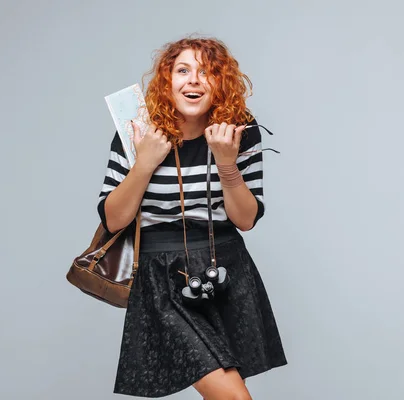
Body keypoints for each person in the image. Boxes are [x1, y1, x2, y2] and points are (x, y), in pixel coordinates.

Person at [97, 36, 287, 399]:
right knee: (232, 395)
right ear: (166, 80)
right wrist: (145, 161)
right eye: (182, 70)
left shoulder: (239, 132)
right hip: (162, 278)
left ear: (222, 84)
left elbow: (245, 219)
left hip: (225, 271)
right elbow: (114, 219)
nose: (194, 81)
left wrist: (227, 162)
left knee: (229, 391)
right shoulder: (137, 133)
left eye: (207, 72)